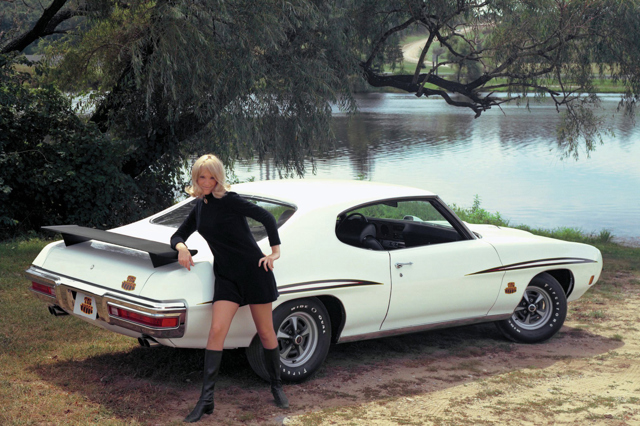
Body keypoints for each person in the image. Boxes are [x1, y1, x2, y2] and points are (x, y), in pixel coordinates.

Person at [170, 154, 288, 423]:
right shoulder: (199, 206)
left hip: (255, 272)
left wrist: (274, 252)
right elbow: (178, 235)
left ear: (219, 178)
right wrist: (182, 247)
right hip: (226, 277)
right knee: (216, 331)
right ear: (196, 178)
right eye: (202, 177)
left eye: (212, 177)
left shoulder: (230, 200)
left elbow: (268, 218)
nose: (207, 182)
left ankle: (276, 385)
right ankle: (206, 400)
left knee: (266, 332)